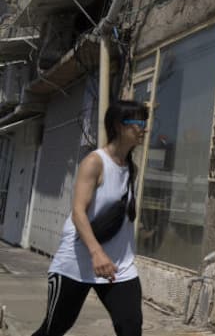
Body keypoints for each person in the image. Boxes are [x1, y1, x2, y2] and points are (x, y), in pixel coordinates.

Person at [32, 100, 148, 336]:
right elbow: (78, 212)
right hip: (76, 263)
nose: (143, 128)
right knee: (54, 329)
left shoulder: (130, 167)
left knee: (130, 326)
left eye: (145, 122)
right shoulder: (95, 162)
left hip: (119, 266)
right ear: (118, 125)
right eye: (137, 122)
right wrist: (97, 253)